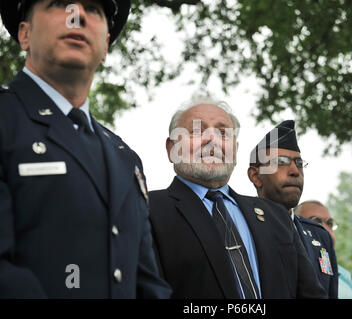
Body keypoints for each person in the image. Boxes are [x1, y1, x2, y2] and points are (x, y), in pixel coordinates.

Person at [0, 0, 171, 298]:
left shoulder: (124, 157)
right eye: (59, 3)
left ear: (105, 46)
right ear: (24, 34)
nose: (76, 14)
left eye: (92, 8)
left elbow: (146, 281)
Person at [147, 97, 327, 298]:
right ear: (171, 149)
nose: (211, 139)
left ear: (235, 150)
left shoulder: (276, 215)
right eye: (197, 131)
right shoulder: (146, 210)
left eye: (223, 133)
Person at [247, 120, 338, 298]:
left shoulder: (319, 236)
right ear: (256, 176)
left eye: (299, 163)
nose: (295, 171)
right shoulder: (242, 227)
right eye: (280, 162)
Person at [295, 200, 352, 299]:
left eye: (330, 223)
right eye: (315, 222)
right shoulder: (295, 268)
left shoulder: (341, 273)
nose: (324, 229)